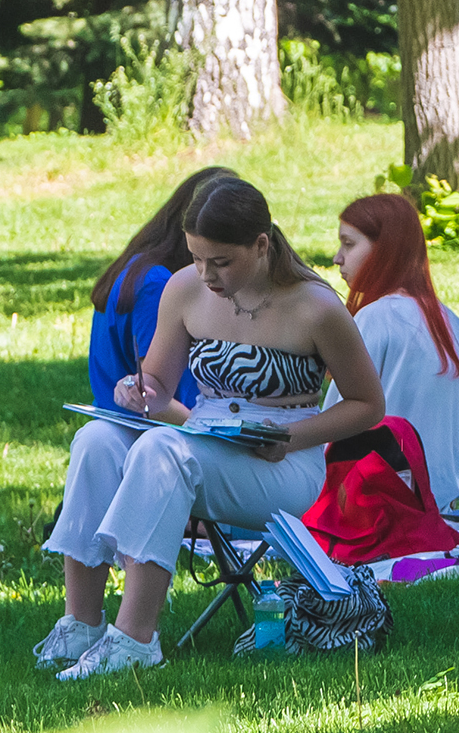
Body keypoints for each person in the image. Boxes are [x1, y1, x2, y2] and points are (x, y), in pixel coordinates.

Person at [38, 176, 387, 680]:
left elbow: (367, 404)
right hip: (206, 439)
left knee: (163, 450)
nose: (206, 274)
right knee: (95, 440)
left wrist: (292, 437)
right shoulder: (184, 289)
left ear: (261, 245)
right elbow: (156, 384)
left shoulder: (316, 306)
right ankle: (81, 623)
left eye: (220, 262)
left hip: (284, 461)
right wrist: (136, 392)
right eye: (197, 258)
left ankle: (135, 639)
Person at [330, 189, 459, 512]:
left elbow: (334, 430)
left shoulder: (377, 316)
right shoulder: (449, 320)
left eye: (348, 244)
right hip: (439, 500)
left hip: (382, 502)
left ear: (385, 250)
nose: (337, 258)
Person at [82, 164, 240, 411]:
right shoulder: (156, 285)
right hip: (146, 432)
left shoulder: (137, 266)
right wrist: (217, 435)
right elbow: (153, 395)